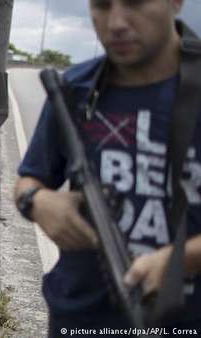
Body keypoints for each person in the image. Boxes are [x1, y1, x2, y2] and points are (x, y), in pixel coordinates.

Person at [14, 0, 201, 335]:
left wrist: (179, 261)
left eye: (134, 3)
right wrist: (39, 203)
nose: (116, 22)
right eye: (101, 5)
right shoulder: (75, 88)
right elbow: (28, 181)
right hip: (78, 320)